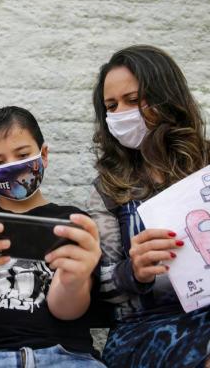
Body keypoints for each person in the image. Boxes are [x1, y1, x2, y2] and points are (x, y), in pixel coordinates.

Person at [0, 106, 104, 367]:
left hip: (67, 356)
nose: (13, 167)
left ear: (44, 154)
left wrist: (74, 280)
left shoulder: (73, 221)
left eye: (23, 154)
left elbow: (67, 309)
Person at [87, 44, 210, 368]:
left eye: (132, 100)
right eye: (111, 106)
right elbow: (95, 281)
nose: (121, 114)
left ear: (165, 97)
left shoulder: (206, 167)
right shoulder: (109, 187)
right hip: (146, 328)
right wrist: (133, 272)